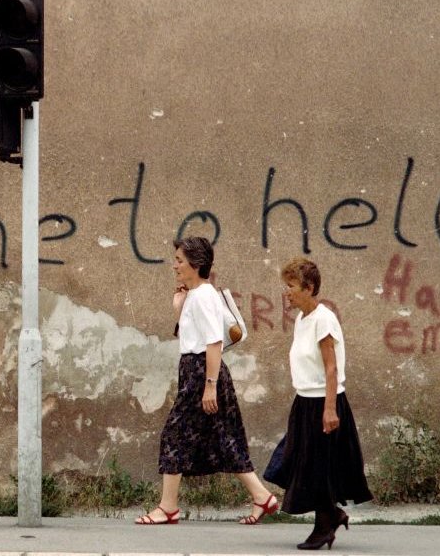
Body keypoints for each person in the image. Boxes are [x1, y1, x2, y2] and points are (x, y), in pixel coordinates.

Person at [135, 236, 279, 525]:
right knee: (225, 438)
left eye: (179, 260)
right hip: (199, 370)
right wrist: (179, 307)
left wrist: (209, 386)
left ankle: (168, 507)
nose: (174, 265)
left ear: (196, 264)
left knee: (174, 435)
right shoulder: (196, 295)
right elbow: (194, 337)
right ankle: (263, 498)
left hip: (202, 372)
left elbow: (213, 342)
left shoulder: (203, 296)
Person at [265, 258, 373, 550]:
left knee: (318, 469)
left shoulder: (324, 318)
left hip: (324, 403)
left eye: (291, 286)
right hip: (304, 402)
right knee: (302, 464)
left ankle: (324, 526)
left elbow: (331, 368)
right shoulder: (303, 319)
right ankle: (333, 515)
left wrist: (329, 409)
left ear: (309, 288)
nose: (286, 292)